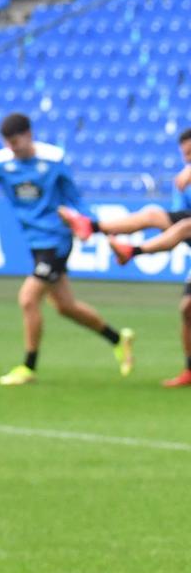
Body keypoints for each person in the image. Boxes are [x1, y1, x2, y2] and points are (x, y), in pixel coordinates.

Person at [0, 112, 133, 386]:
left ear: (29, 135)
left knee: (28, 298)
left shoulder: (53, 160)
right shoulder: (0, 164)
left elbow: (75, 198)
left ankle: (28, 366)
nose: (13, 149)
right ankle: (119, 339)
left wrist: (97, 227)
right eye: (8, 144)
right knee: (65, 307)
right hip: (34, 242)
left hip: (57, 240)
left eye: (16, 142)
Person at [58, 126, 191, 387]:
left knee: (170, 221)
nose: (188, 159)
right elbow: (177, 224)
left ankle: (121, 245)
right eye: (185, 155)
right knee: (188, 309)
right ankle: (190, 370)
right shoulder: (182, 183)